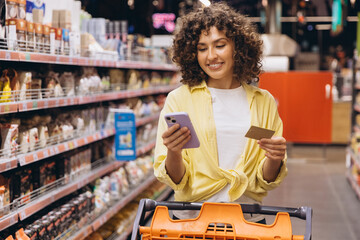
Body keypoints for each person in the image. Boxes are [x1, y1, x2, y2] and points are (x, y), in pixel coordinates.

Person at [153, 2, 287, 223]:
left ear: (238, 47)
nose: (211, 56)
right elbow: (176, 180)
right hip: (192, 222)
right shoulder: (179, 99)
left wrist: (275, 158)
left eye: (220, 45)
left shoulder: (263, 102)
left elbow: (265, 179)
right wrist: (173, 152)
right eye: (202, 48)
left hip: (247, 221)